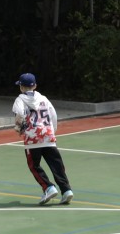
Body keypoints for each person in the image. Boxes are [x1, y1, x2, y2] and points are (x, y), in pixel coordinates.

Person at [12, 73, 74, 205]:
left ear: (21, 87)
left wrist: (18, 127)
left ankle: (48, 187)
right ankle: (66, 190)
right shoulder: (44, 99)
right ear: (35, 85)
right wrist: (52, 132)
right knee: (57, 165)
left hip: (32, 139)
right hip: (48, 136)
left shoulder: (20, 99)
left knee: (34, 165)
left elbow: (19, 115)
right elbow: (53, 116)